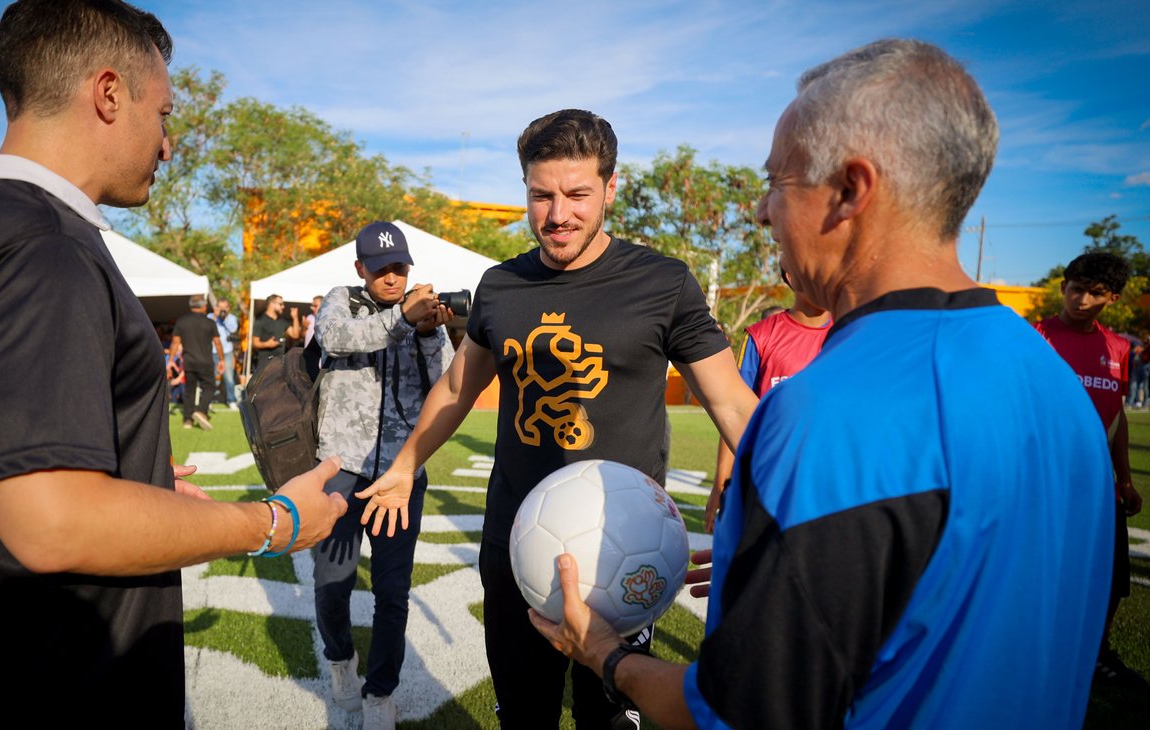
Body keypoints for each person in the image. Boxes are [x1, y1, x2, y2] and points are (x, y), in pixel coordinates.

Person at [528, 39, 1112, 729]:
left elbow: (740, 714)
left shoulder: (830, 415)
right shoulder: (1053, 381)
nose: (762, 212)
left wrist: (604, 654)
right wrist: (796, 573)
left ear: (849, 191)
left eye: (777, 181)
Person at [0, 2, 347, 726]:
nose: (168, 145)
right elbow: (53, 523)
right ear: (108, 94)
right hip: (54, 688)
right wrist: (275, 522)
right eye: (164, 114)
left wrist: (127, 479)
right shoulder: (42, 247)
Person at [357, 110, 758, 729]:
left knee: (611, 715)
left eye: (576, 194)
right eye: (541, 195)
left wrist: (794, 511)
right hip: (516, 540)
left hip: (622, 549)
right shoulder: (501, 285)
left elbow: (731, 402)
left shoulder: (662, 283)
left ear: (611, 189)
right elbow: (460, 385)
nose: (557, 214)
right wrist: (406, 465)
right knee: (525, 713)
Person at [311, 220, 454, 728]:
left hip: (401, 473)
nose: (392, 278)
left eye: (399, 269)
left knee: (392, 592)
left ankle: (380, 691)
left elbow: (449, 384)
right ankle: (339, 660)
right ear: (360, 269)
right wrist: (399, 319)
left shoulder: (422, 316)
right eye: (381, 270)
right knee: (331, 584)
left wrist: (430, 330)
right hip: (341, 470)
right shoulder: (341, 299)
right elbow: (335, 337)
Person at [1034, 251, 1148, 691]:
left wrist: (1124, 478)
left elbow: (1116, 414)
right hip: (1043, 483)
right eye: (1075, 288)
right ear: (1063, 287)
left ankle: (1099, 655)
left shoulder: (1117, 347)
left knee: (1111, 578)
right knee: (1037, 573)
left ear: (1113, 298)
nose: (1081, 299)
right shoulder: (1035, 338)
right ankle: (1031, 649)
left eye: (1094, 293)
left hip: (1099, 487)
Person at [708, 269, 830, 530]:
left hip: (827, 483)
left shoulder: (849, 333)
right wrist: (721, 479)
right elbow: (734, 410)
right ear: (792, 273)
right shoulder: (761, 336)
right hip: (767, 480)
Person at [171, 294, 225, 430]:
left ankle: (187, 420)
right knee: (210, 387)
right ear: (203, 306)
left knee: (189, 390)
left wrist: (170, 360)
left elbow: (175, 343)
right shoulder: (209, 322)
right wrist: (222, 360)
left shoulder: (182, 321)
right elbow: (217, 343)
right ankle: (201, 411)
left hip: (189, 361)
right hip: (205, 361)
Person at [252, 293, 300, 369]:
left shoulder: (282, 321)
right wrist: (267, 344)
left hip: (279, 362)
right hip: (265, 363)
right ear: (272, 304)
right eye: (280, 304)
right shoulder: (260, 321)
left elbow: (295, 335)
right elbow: (254, 343)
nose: (283, 307)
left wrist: (295, 318)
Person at [210, 297, 240, 409]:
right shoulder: (209, 317)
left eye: (225, 308)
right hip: (212, 351)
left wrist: (224, 318)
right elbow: (207, 327)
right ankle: (209, 399)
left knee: (229, 377)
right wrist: (215, 316)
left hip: (227, 351)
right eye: (220, 307)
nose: (222, 310)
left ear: (229, 308)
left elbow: (233, 329)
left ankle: (231, 400)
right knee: (213, 377)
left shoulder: (231, 318)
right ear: (216, 307)